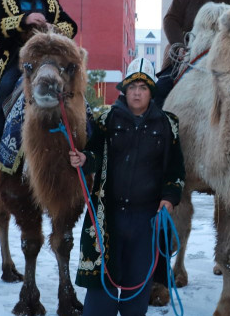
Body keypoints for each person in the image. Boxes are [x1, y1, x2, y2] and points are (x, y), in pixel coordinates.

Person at [72, 58, 185, 316]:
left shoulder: (168, 125)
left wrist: (169, 198)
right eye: (132, 86)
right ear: (124, 89)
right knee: (100, 298)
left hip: (146, 221)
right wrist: (84, 159)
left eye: (143, 88)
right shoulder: (105, 119)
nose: (137, 92)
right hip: (109, 218)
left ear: (151, 92)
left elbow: (176, 170)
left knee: (137, 297)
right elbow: (94, 153)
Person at [0, 0, 77, 157]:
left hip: (49, 57)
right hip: (16, 57)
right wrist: (24, 20)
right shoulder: (4, 4)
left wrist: (54, 28)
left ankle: (77, 133)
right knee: (5, 86)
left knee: (73, 87)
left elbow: (72, 26)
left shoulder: (51, 4)